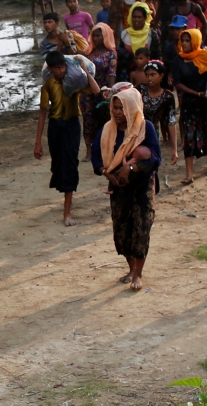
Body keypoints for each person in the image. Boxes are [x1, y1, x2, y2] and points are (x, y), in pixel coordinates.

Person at [92, 88, 162, 290]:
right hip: (118, 188)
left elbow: (156, 159)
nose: (117, 112)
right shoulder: (107, 130)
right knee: (123, 230)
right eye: (114, 108)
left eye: (121, 108)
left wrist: (130, 167)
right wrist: (107, 173)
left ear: (131, 108)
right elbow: (96, 158)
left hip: (142, 187)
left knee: (141, 228)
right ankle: (131, 267)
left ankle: (138, 274)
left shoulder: (145, 127)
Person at [34, 50, 102, 226]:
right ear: (50, 68)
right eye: (57, 68)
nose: (61, 71)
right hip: (55, 128)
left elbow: (95, 90)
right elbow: (43, 113)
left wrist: (85, 70)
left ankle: (67, 212)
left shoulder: (74, 81)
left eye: (63, 67)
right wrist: (38, 142)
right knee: (58, 166)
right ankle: (67, 199)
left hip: (72, 126)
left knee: (70, 164)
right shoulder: (47, 86)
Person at [172, 28, 207, 183]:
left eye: (188, 40)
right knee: (189, 136)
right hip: (189, 102)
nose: (185, 43)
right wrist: (197, 94)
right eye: (183, 40)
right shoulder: (177, 60)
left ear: (196, 41)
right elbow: (178, 84)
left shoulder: (206, 56)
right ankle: (189, 174)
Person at [83, 23, 120, 150]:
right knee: (88, 118)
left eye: (99, 35)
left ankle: (107, 146)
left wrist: (110, 91)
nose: (96, 38)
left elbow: (112, 73)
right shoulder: (88, 52)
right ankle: (89, 149)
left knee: (106, 117)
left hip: (103, 89)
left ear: (106, 36)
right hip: (88, 90)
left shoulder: (111, 53)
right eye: (94, 35)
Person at [138, 60, 179, 161]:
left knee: (152, 161)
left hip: (152, 133)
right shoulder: (140, 88)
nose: (149, 78)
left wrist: (175, 148)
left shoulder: (167, 96)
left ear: (161, 76)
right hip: (136, 131)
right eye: (147, 75)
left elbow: (171, 121)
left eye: (153, 74)